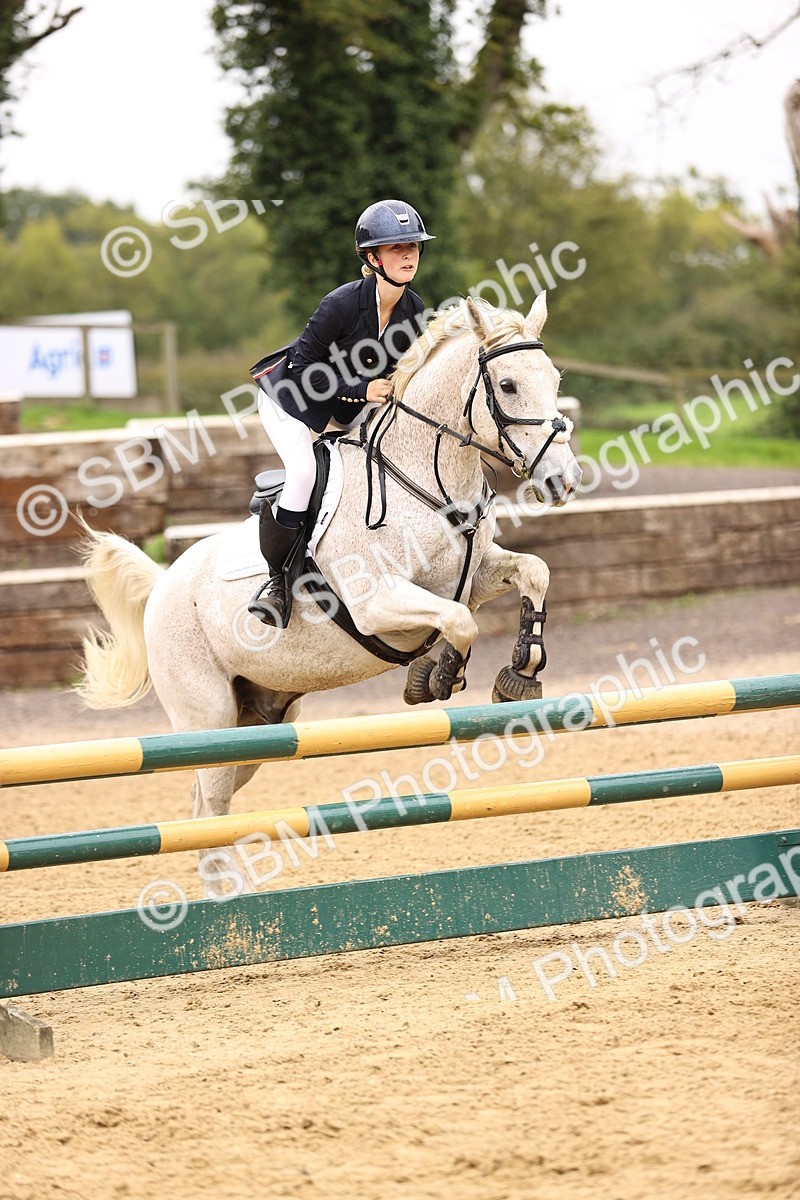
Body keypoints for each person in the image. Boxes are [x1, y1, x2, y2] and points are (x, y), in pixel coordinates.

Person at [248, 198, 434, 627]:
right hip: (292, 401)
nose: (409, 255)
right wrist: (362, 388)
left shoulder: (414, 310)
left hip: (349, 406)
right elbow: (301, 371)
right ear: (372, 258)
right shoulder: (341, 304)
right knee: (303, 474)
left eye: (414, 247)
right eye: (397, 248)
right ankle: (277, 582)